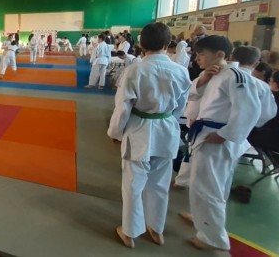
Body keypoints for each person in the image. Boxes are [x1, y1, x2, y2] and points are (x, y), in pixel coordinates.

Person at [181, 36, 275, 251]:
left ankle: (211, 237)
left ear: (220, 55)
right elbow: (196, 95)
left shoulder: (235, 76)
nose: (197, 59)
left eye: (201, 54)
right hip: (209, 133)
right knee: (210, 185)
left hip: (217, 138)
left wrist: (227, 133)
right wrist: (203, 79)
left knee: (208, 186)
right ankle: (202, 219)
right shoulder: (218, 74)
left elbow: (250, 110)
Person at [108, 22, 191, 249]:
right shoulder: (180, 70)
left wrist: (115, 132)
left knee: (133, 185)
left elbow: (123, 106)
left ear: (141, 44)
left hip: (139, 130)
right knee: (159, 184)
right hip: (166, 129)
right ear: (167, 44)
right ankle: (156, 229)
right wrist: (168, 120)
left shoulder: (135, 69)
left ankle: (130, 232)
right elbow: (181, 106)